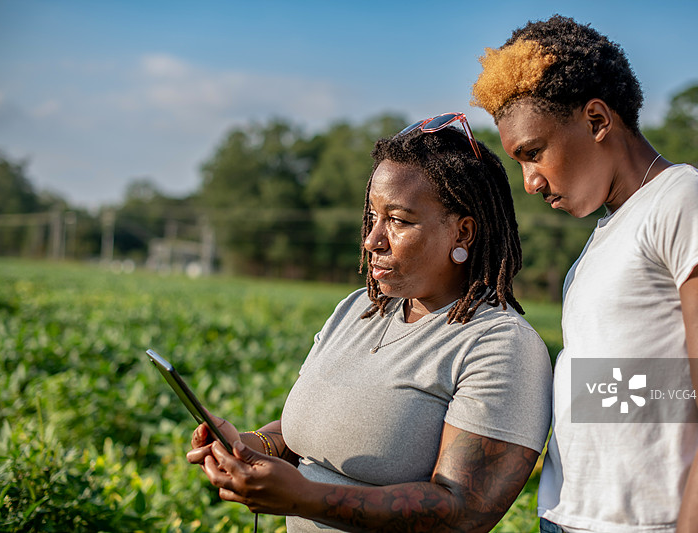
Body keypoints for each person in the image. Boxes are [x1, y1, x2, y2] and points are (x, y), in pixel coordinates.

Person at [186, 114, 553, 532]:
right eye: (373, 216)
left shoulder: (499, 345)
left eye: (398, 220)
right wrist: (252, 445)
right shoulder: (358, 309)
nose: (372, 239)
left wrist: (303, 497)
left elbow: (461, 511)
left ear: (462, 233)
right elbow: (307, 436)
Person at [470, 15, 698, 533]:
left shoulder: (687, 201)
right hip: (568, 518)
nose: (530, 181)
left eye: (533, 153)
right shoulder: (603, 237)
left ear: (598, 120)